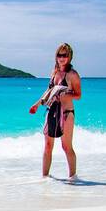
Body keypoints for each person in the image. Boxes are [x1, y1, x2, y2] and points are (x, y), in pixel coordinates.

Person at [29, 43, 81, 180]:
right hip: (51, 110)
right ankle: (45, 178)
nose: (62, 58)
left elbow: (78, 95)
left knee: (66, 146)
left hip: (66, 113)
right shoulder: (55, 72)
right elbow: (48, 91)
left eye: (64, 55)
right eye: (59, 55)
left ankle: (73, 177)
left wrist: (64, 94)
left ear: (70, 57)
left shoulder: (72, 75)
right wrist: (37, 104)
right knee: (47, 145)